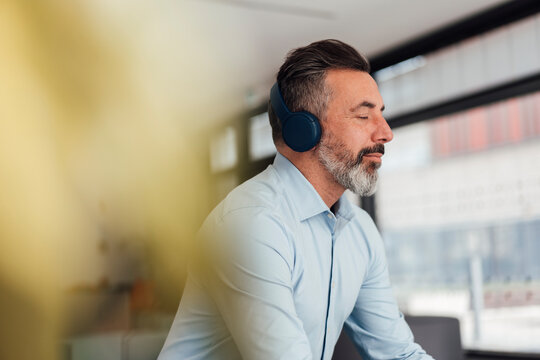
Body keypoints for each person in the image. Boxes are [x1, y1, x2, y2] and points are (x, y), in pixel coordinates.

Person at [158, 39, 433, 360]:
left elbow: (398, 353)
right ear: (305, 130)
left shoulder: (359, 230)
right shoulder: (250, 224)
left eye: (381, 115)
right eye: (363, 116)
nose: (386, 133)